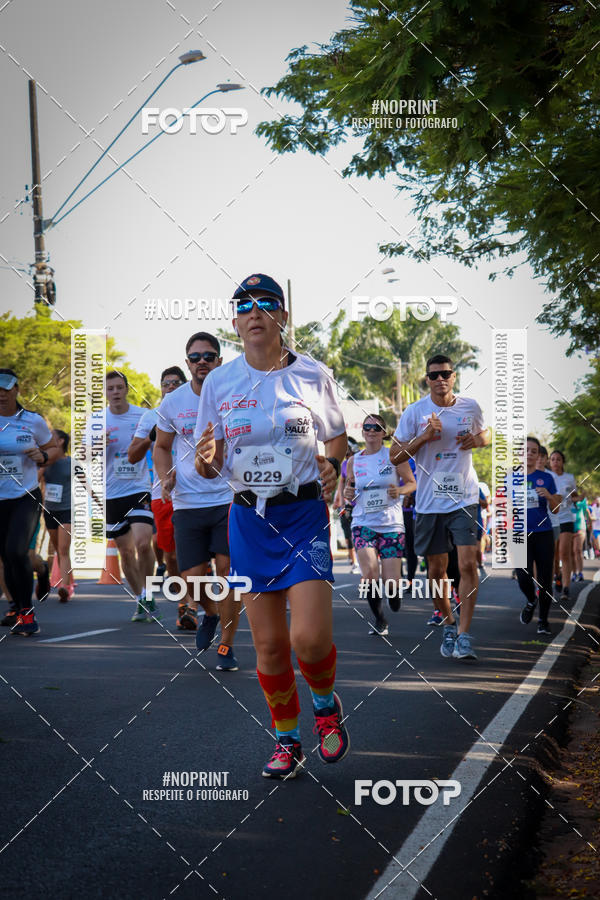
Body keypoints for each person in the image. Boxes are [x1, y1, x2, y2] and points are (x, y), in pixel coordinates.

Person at [194, 273, 349, 779]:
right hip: (248, 520)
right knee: (268, 646)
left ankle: (325, 707)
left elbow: (336, 442)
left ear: (282, 316)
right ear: (236, 321)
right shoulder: (219, 382)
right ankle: (286, 738)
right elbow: (206, 462)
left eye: (266, 303)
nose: (254, 311)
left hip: (302, 515)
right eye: (244, 305)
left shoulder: (313, 375)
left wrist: (331, 466)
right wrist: (207, 460)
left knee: (306, 637)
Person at [391, 354, 489, 660]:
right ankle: (448, 622)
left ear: (454, 376)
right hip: (430, 502)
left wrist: (477, 440)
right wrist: (424, 437)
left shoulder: (470, 407)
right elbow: (395, 455)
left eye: (445, 373)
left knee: (467, 565)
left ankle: (464, 635)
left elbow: (485, 434)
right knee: (436, 570)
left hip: (464, 498)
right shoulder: (415, 412)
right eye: (434, 375)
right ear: (427, 380)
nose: (440, 379)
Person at [154, 334, 240, 666]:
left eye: (209, 356)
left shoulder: (234, 395)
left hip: (228, 498)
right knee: (192, 579)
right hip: (188, 501)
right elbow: (161, 447)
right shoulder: (173, 402)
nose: (201, 361)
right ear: (187, 362)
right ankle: (212, 613)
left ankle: (227, 646)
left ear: (219, 361)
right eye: (195, 357)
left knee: (228, 572)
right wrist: (165, 477)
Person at [344, 414, 416, 634]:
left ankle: (394, 593)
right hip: (363, 522)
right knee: (369, 576)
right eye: (367, 427)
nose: (371, 431)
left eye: (376, 427)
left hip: (391, 524)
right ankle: (380, 619)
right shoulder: (354, 461)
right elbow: (350, 490)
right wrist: (348, 495)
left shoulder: (394, 456)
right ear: (363, 432)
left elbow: (412, 483)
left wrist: (400, 490)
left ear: (384, 433)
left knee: (391, 583)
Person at [0, 368, 58, 635]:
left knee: (16, 551)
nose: (1, 394)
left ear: (16, 390)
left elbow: (54, 447)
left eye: (6, 389)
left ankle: (26, 612)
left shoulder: (31, 421)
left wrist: (43, 457)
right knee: (5, 556)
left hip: (26, 494)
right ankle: (17, 606)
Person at [128, 366, 186, 618]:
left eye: (175, 383)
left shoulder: (197, 408)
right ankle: (185, 597)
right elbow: (132, 455)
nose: (170, 387)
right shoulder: (150, 416)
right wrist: (149, 438)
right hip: (161, 493)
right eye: (166, 383)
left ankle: (189, 604)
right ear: (160, 388)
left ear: (185, 385)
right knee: (171, 554)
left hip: (197, 492)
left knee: (204, 552)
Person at [102, 371, 157, 621]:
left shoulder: (143, 416)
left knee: (143, 543)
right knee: (125, 552)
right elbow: (83, 453)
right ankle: (140, 598)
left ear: (126, 389)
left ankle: (150, 592)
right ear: (105, 392)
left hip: (138, 487)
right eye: (110, 388)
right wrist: (95, 445)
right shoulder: (97, 420)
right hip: (111, 492)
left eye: (118, 387)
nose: (115, 392)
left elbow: (161, 446)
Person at [518, 437, 562, 634]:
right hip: (519, 533)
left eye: (533, 451)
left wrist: (549, 496)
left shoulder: (547, 478)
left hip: (543, 533)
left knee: (545, 579)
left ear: (537, 456)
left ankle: (543, 620)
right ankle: (530, 600)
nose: (529, 453)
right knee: (523, 576)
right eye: (525, 450)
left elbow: (556, 510)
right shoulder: (510, 478)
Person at [41, 429, 73, 602]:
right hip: (49, 511)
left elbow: (85, 483)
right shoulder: (45, 463)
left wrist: (99, 503)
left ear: (60, 441)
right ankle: (66, 582)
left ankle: (64, 587)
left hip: (67, 510)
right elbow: (35, 481)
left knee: (63, 549)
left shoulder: (71, 463)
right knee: (57, 550)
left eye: (51, 436)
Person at [548, 450, 577, 600]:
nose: (555, 462)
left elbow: (574, 496)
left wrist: (578, 498)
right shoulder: (546, 477)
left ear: (562, 462)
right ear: (549, 462)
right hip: (551, 519)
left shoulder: (569, 478)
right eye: (552, 459)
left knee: (564, 552)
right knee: (553, 555)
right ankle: (557, 575)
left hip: (566, 518)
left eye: (558, 459)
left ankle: (566, 588)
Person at [333, 439, 360, 573]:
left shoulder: (361, 460)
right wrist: (340, 501)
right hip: (349, 504)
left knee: (359, 534)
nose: (347, 456)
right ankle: (354, 562)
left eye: (349, 452)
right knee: (349, 534)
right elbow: (342, 482)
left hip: (361, 503)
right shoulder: (344, 464)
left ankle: (361, 562)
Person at [572, 491, 591, 581]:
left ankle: (580, 572)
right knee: (571, 553)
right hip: (569, 531)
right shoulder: (566, 504)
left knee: (577, 550)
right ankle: (574, 573)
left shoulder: (582, 502)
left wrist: (589, 525)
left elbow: (587, 513)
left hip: (580, 529)